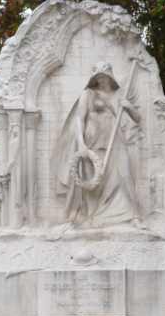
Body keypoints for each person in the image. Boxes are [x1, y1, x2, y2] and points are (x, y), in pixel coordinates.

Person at [53, 62, 143, 228]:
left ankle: (136, 216)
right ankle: (90, 217)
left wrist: (128, 106)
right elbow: (79, 119)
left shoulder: (119, 95)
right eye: (98, 78)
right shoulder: (88, 94)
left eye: (104, 77)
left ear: (110, 77)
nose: (101, 81)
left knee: (125, 175)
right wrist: (81, 143)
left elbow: (138, 118)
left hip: (115, 141)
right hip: (91, 143)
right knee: (92, 183)